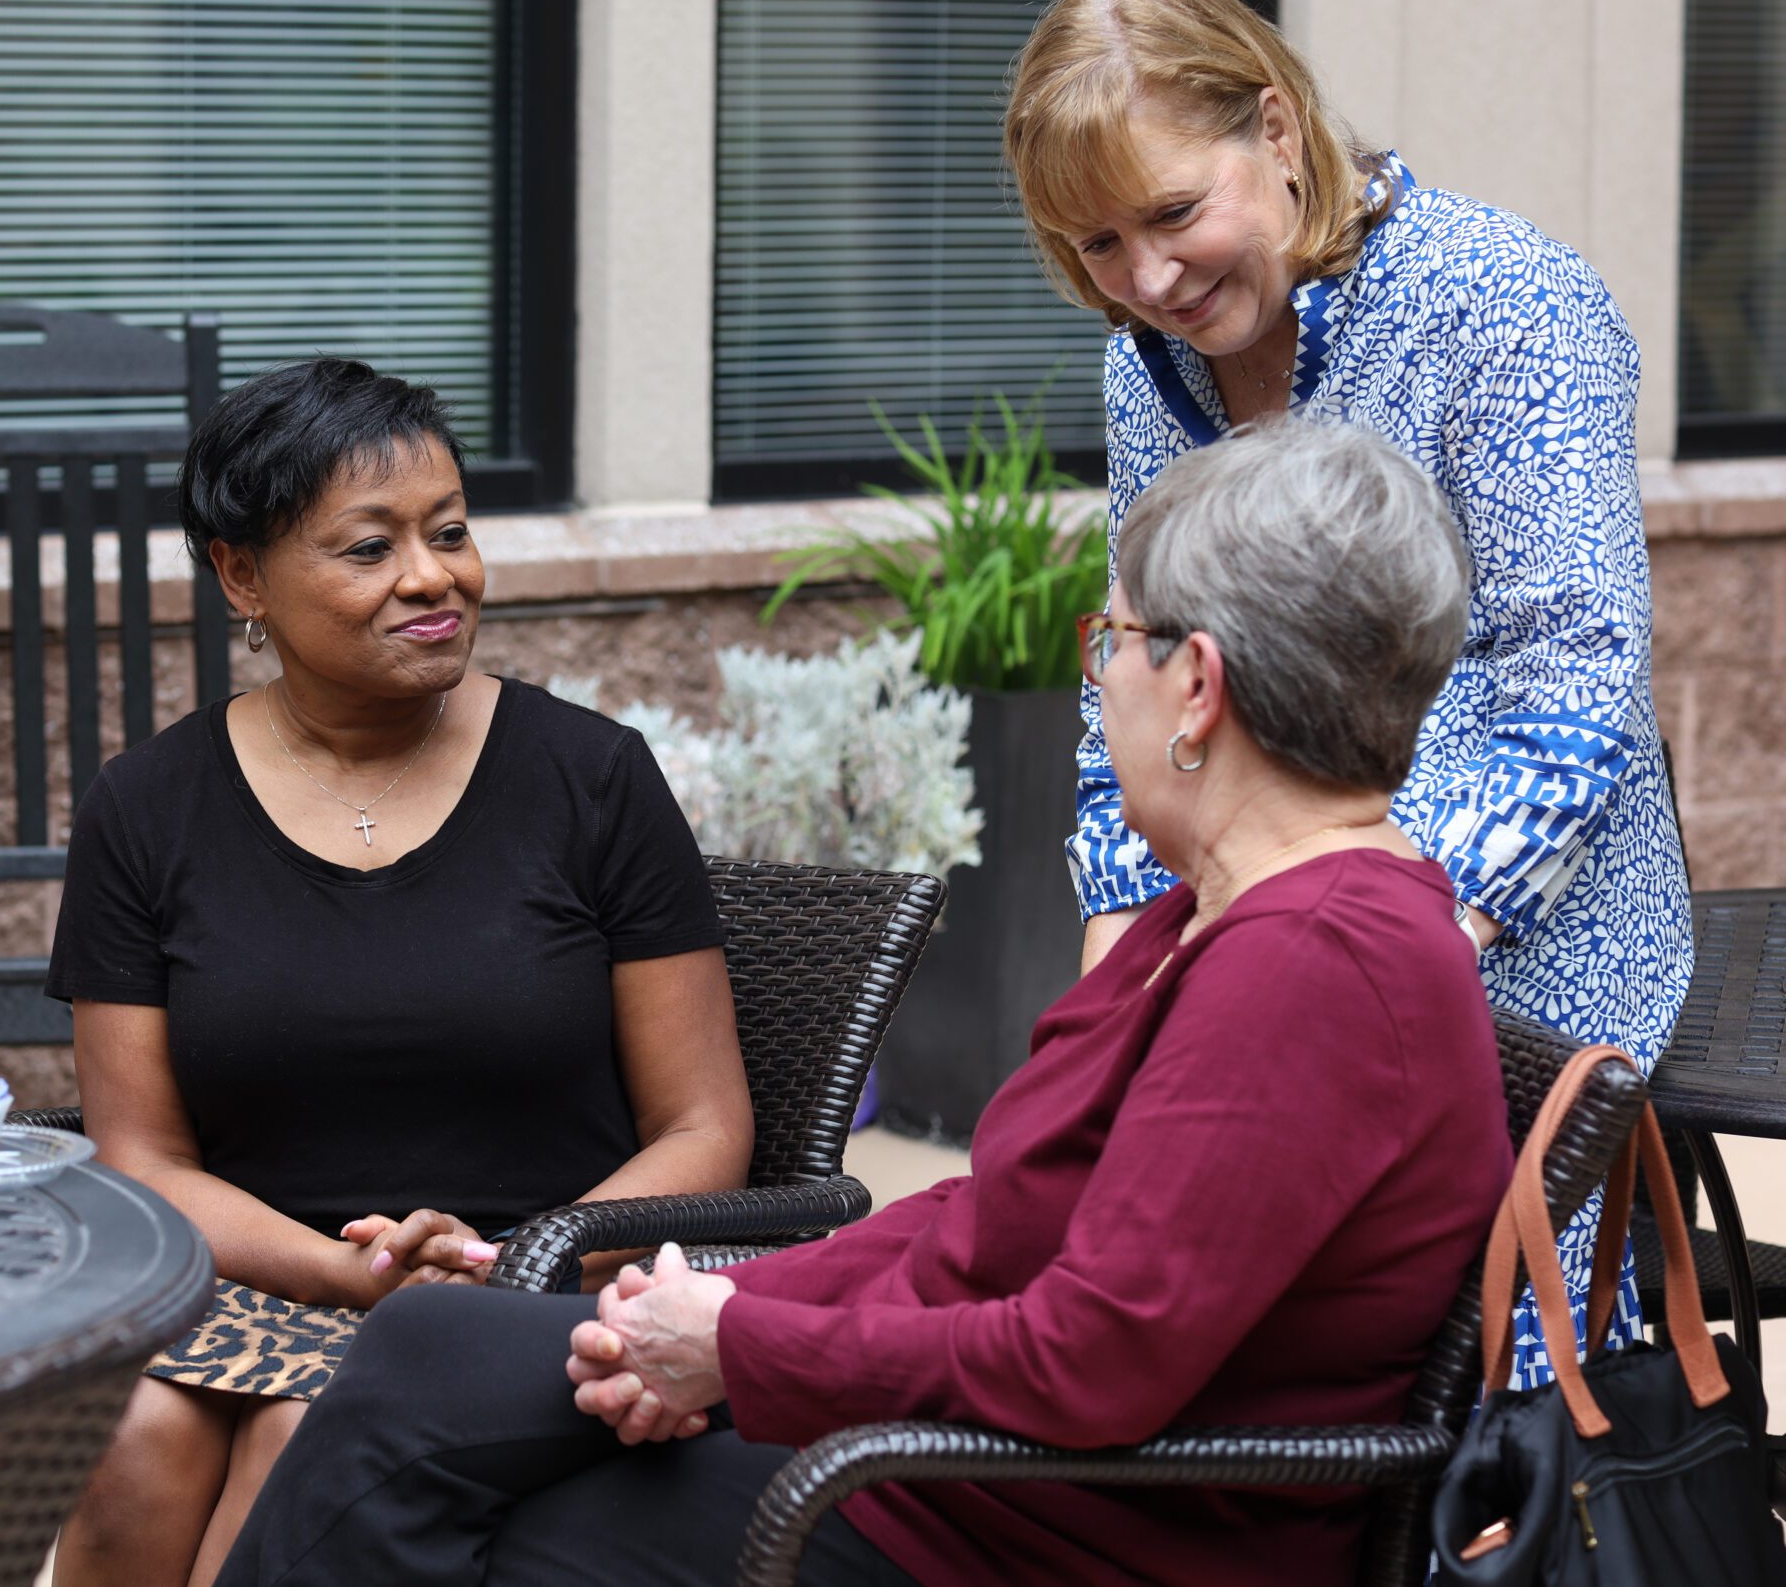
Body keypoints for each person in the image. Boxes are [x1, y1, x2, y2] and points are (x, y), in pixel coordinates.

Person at [211, 420, 1514, 1587]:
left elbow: (1096, 1352)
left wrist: (744, 1348)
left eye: (1106, 639)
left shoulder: (1317, 962)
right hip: (957, 1454)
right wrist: (725, 1307)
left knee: (490, 1519)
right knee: (435, 1343)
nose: (1096, 677)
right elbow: (990, 1214)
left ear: (1199, 686)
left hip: (1052, 1521)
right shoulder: (1219, 912)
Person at [1007, 0, 1689, 1385]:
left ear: (1275, 125)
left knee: (1317, 1354)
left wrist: (1338, 971)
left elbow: (1569, 695)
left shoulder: (1504, 303)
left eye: (1175, 214)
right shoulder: (1151, 359)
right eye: (1097, 246)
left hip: (1508, 965)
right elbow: (1138, 688)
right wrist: (1111, 1009)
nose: (1147, 278)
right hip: (1259, 960)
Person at [42, 356, 756, 1587]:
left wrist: (497, 1263)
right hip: (262, 1272)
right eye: (368, 548)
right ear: (240, 575)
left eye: (450, 533)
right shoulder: (146, 808)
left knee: (295, 1435)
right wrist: (341, 1270)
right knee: (127, 1444)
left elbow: (705, 1123)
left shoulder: (592, 781)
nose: (432, 578)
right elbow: (141, 1158)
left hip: (537, 1282)